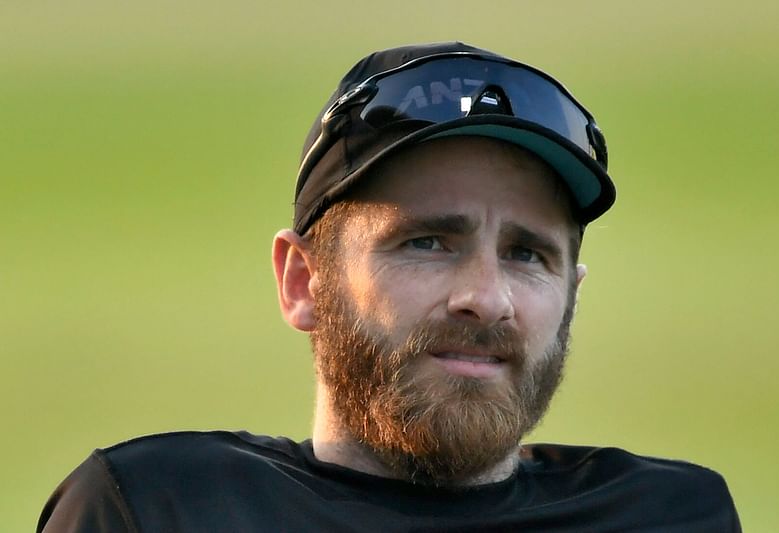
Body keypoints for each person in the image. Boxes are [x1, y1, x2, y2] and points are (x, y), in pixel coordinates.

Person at [37, 42, 741, 532]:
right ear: (303, 280)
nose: (485, 296)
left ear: (572, 297)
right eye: (428, 241)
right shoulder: (156, 508)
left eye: (528, 253)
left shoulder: (670, 514)